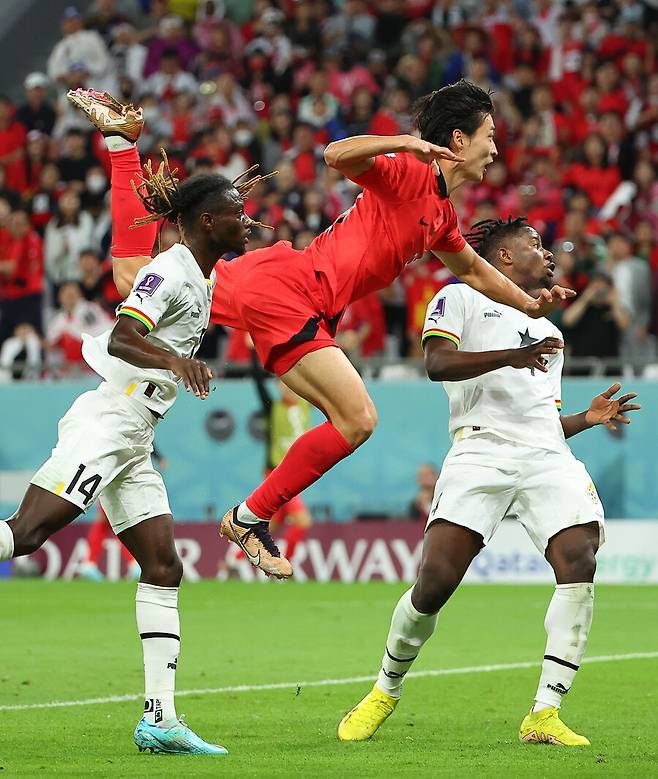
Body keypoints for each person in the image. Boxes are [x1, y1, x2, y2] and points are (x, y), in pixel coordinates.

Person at [67, 84, 573, 579]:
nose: (496, 148)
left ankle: (121, 145)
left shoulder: (440, 215)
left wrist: (531, 304)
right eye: (489, 135)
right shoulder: (408, 172)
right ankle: (249, 517)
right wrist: (406, 141)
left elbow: (475, 271)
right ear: (458, 141)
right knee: (356, 418)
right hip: (294, 292)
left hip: (290, 293)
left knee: (132, 276)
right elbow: (336, 155)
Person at [0, 148, 265, 754]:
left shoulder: (203, 274)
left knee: (165, 566)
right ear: (204, 221)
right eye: (234, 214)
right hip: (110, 421)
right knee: (28, 534)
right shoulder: (169, 271)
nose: (244, 222)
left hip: (137, 437)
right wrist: (175, 360)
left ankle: (160, 720)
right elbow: (124, 336)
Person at [337, 217, 640, 746]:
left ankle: (544, 712)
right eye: (535, 244)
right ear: (502, 257)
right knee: (434, 582)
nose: (547, 253)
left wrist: (585, 420)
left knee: (580, 559)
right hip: (480, 450)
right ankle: (385, 688)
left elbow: (540, 417)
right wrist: (512, 355)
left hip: (547, 455)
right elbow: (437, 363)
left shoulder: (552, 331)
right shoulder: (457, 297)